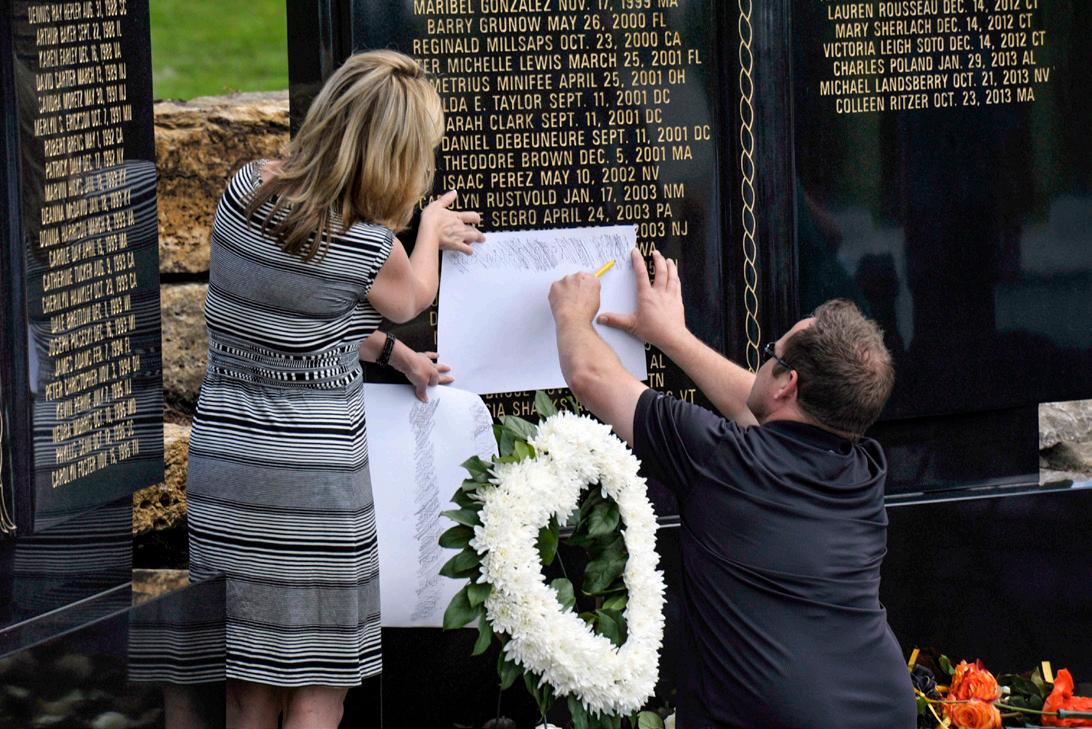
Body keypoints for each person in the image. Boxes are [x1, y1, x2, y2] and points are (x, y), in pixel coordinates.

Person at [186, 50, 483, 729]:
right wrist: (429, 232)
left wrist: (394, 355)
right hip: (314, 483)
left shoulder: (246, 189)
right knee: (318, 685)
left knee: (246, 686)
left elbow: (293, 321)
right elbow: (413, 295)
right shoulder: (368, 247)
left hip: (226, 464)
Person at [548, 249, 916, 729]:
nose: (764, 362)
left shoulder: (721, 460)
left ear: (788, 383)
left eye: (771, 354)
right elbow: (764, 407)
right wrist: (673, 337)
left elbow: (590, 375)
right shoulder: (865, 471)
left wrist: (572, 314)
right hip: (883, 708)